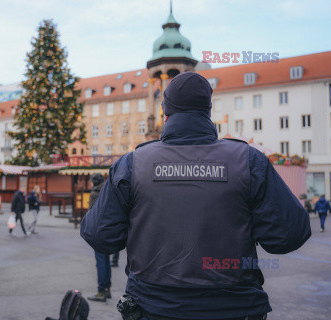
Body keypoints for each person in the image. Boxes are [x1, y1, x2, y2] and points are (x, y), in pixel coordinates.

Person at [81, 72, 311, 320]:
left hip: (154, 308)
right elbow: (289, 235)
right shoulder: (248, 160)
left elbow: (100, 235)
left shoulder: (133, 164)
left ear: (166, 113)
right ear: (207, 112)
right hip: (234, 308)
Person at [87, 173, 112, 303]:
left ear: (94, 182)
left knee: (100, 262)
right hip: (108, 231)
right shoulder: (108, 191)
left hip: (99, 231)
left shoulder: (94, 193)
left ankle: (101, 291)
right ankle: (107, 289)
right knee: (106, 261)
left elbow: (92, 214)